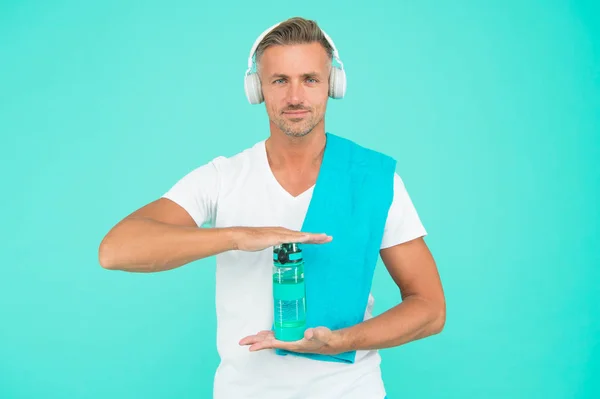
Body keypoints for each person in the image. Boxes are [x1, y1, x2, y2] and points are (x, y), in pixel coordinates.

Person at [98, 16, 446, 399]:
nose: (295, 97)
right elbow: (116, 250)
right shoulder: (222, 178)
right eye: (280, 80)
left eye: (310, 79)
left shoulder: (375, 179)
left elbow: (429, 307)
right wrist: (240, 236)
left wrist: (340, 340)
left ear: (332, 84)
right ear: (257, 89)